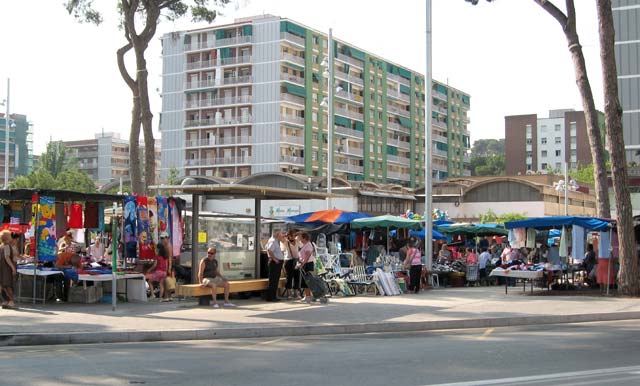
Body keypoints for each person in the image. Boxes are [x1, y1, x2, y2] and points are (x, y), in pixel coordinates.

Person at [265, 231, 285, 302]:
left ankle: (273, 296)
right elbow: (269, 250)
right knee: (273, 280)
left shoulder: (275, 241)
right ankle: (271, 297)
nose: (281, 235)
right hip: (275, 263)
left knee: (275, 280)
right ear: (276, 234)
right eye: (279, 234)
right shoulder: (273, 241)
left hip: (276, 262)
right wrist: (274, 259)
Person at [296, 232, 315, 303]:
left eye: (301, 237)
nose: (300, 239)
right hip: (305, 263)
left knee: (307, 280)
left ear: (304, 238)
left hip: (307, 264)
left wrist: (302, 264)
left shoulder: (308, 245)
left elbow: (308, 255)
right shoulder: (304, 245)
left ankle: (308, 296)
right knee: (305, 280)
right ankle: (307, 295)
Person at [0, 230, 17, 309]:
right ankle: (11, 301)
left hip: (2, 268)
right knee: (7, 285)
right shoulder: (6, 246)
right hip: (6, 268)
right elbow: (7, 257)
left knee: (3, 285)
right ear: (7, 237)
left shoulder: (1, 246)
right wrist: (13, 268)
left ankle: (5, 301)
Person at [282, 229, 301, 300]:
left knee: (297, 276)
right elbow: (280, 237)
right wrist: (286, 235)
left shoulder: (297, 241)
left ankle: (296, 293)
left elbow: (301, 234)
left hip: (296, 260)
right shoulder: (286, 242)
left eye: (294, 235)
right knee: (289, 277)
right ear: (289, 236)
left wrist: (296, 233)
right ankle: (289, 294)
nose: (293, 236)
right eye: (292, 235)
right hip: (288, 261)